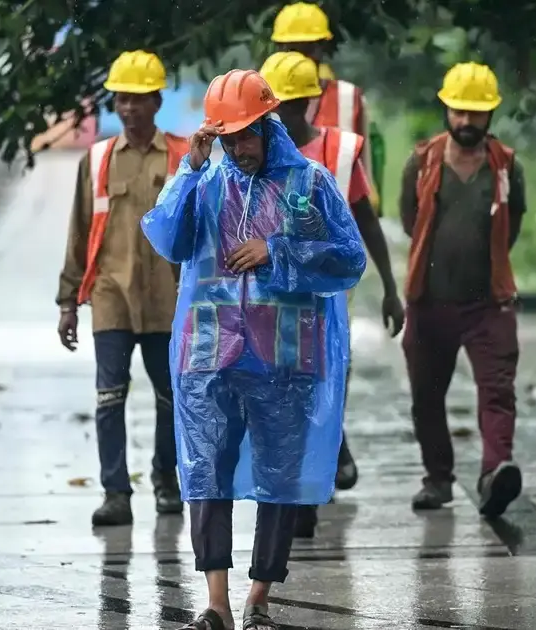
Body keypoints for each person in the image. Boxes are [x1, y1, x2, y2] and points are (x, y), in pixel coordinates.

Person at [142, 69, 366, 630]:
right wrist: (188, 170)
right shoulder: (206, 180)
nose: (238, 148)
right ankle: (215, 603)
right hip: (210, 351)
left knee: (280, 474)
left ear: (268, 125)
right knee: (206, 473)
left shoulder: (310, 183)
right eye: (227, 137)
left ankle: (258, 597)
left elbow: (348, 260)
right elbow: (168, 239)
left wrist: (279, 250)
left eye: (246, 134)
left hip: (284, 353)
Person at [258, 51, 404, 538]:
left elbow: (366, 220)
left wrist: (389, 288)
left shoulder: (338, 154)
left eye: (293, 106)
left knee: (324, 386)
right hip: (273, 301)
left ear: (313, 103)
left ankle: (315, 481)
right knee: (283, 392)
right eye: (274, 108)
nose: (283, 118)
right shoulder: (253, 156)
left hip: (327, 301)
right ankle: (305, 480)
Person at [56, 50, 190, 527]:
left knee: (172, 396)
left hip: (167, 299)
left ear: (156, 101)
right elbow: (77, 231)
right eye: (121, 99)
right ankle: (116, 492)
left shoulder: (182, 155)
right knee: (109, 397)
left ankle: (165, 479)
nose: (129, 108)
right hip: (111, 295)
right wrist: (68, 301)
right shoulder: (97, 161)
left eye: (138, 99)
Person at [399, 62, 528, 518]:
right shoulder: (421, 162)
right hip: (429, 302)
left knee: (497, 390)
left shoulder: (506, 167)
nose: (467, 122)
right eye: (460, 112)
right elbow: (409, 223)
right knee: (426, 398)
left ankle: (497, 472)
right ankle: (437, 480)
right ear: (446, 110)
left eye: (477, 114)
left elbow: (511, 226)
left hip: (487, 304)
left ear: (490, 116)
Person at [270, 2, 379, 209]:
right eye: (293, 49)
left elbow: (363, 170)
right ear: (278, 49)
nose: (300, 60)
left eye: (308, 49)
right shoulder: (262, 96)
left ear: (323, 48)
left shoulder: (348, 97)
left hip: (338, 222)